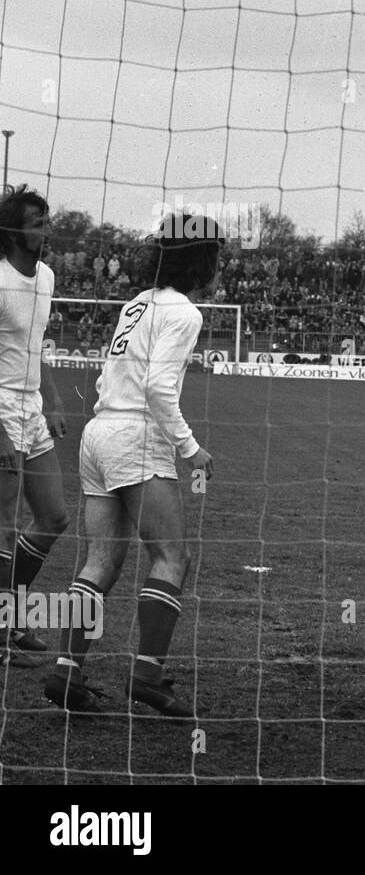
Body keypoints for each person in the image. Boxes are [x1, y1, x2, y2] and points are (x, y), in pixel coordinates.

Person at [43, 213, 220, 715]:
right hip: (136, 438)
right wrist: (190, 449)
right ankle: (147, 675)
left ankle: (67, 673)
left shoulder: (137, 303)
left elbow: (117, 376)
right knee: (171, 558)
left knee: (100, 561)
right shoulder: (184, 312)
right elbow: (158, 388)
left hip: (98, 435)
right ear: (201, 259)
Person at [0, 186, 70, 668]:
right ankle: (5, 632)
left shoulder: (44, 276)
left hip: (33, 408)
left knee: (54, 516)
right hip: (0, 409)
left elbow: (37, 345)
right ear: (13, 230)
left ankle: (11, 614)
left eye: (47, 221)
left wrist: (56, 399)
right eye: (37, 223)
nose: (46, 231)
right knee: (3, 530)